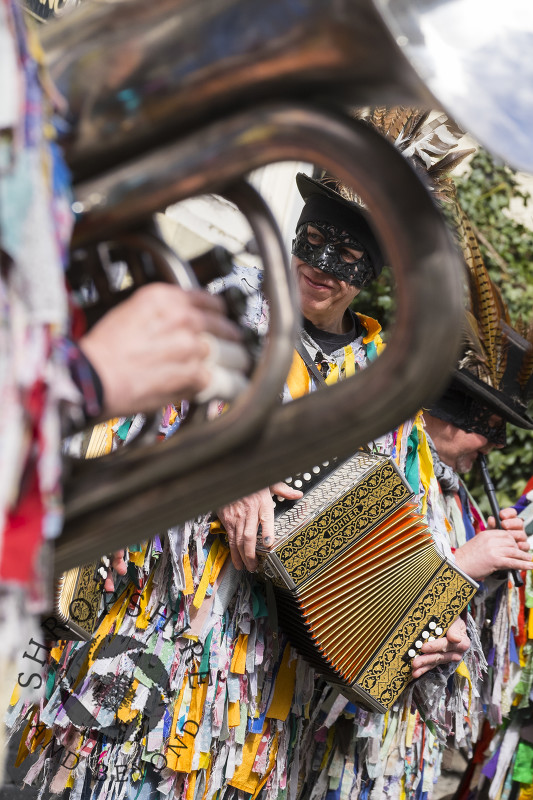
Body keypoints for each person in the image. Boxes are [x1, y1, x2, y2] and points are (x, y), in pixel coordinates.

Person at [6, 173, 472, 800]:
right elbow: (109, 437)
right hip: (160, 642)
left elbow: (409, 536)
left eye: (351, 258)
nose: (323, 267)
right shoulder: (220, 310)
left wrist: (433, 620)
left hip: (265, 694)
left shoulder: (387, 382)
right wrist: (216, 475)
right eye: (314, 241)